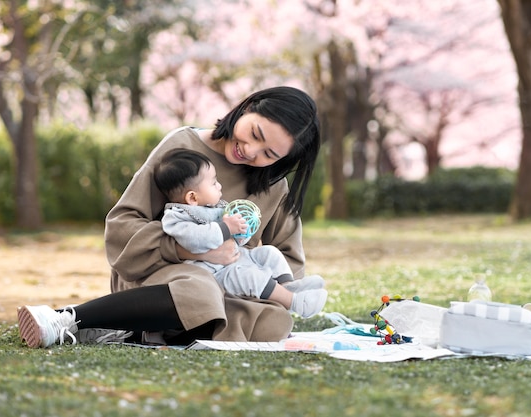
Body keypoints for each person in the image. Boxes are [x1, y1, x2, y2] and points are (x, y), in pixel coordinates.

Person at [17, 86, 324, 348]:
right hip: (160, 274)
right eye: (255, 134)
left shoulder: (273, 186)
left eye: (269, 154)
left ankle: (137, 331)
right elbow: (123, 224)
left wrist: (248, 269)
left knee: (273, 322)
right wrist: (187, 249)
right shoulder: (183, 147)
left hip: (229, 288)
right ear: (246, 108)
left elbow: (287, 258)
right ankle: (66, 319)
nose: (252, 150)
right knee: (200, 290)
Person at [154, 147, 327, 318]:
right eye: (214, 183)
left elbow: (235, 241)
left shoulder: (216, 208)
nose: (219, 186)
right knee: (248, 276)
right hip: (213, 276)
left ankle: (288, 286)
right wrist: (226, 227)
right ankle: (293, 302)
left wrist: (241, 232)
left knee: (269, 253)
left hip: (235, 259)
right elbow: (194, 240)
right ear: (192, 197)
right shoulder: (176, 216)